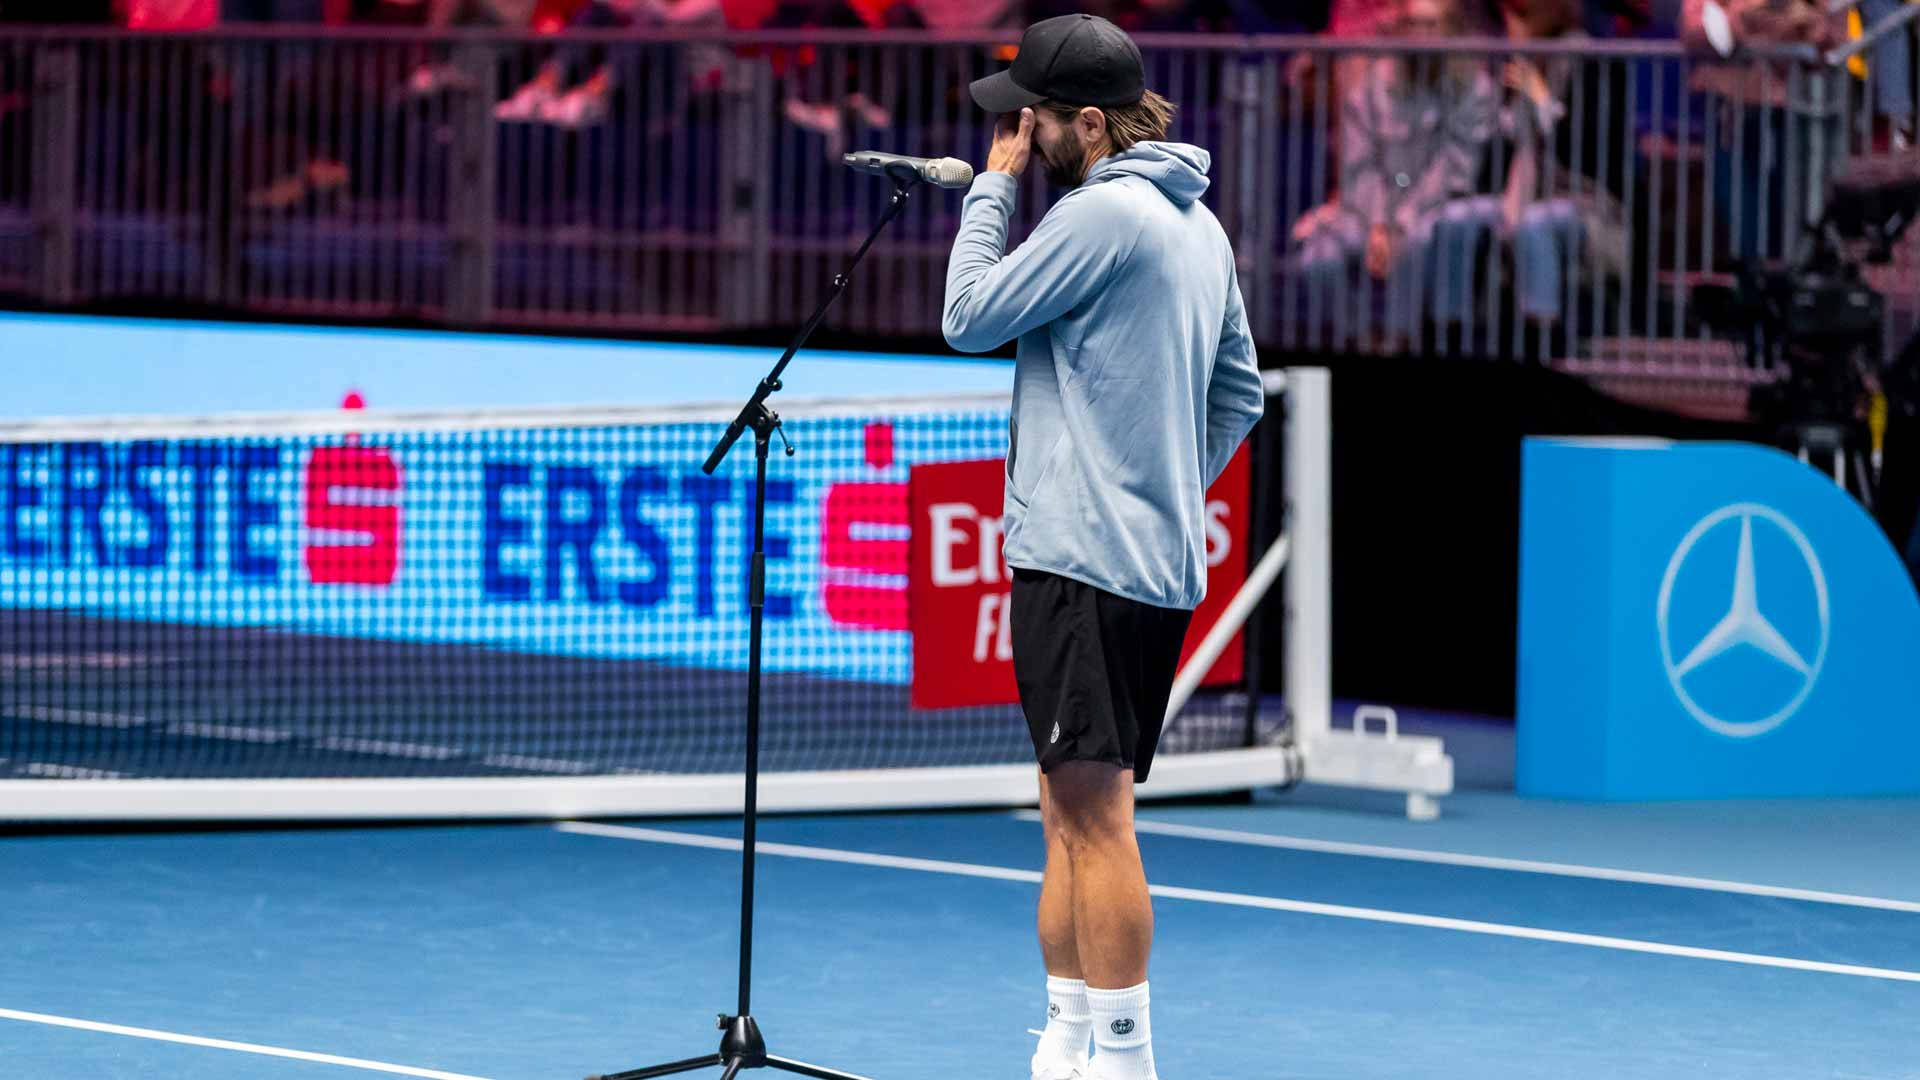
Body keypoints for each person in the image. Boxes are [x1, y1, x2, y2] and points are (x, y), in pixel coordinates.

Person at [941, 14, 1265, 1080]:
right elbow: (1239, 395)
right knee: (1067, 806)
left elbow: (969, 315)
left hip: (1082, 561)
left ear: (1089, 122)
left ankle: (1126, 1062)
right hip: (1148, 560)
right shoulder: (1200, 227)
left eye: (1032, 122)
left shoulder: (1102, 216)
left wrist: (992, 191)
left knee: (1095, 818)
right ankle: (1070, 1035)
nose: (1020, 138)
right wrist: (1164, 488)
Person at [1290, 0, 1498, 349]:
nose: (1422, 37)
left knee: (1416, 243)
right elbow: (1359, 166)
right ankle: (1350, 345)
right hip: (1371, 210)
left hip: (1433, 208)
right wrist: (1378, 223)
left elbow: (1451, 170)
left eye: (1432, 27)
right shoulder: (1373, 84)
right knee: (1319, 256)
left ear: (1451, 31)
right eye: (1414, 26)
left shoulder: (1475, 88)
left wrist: (1399, 222)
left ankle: (1399, 347)